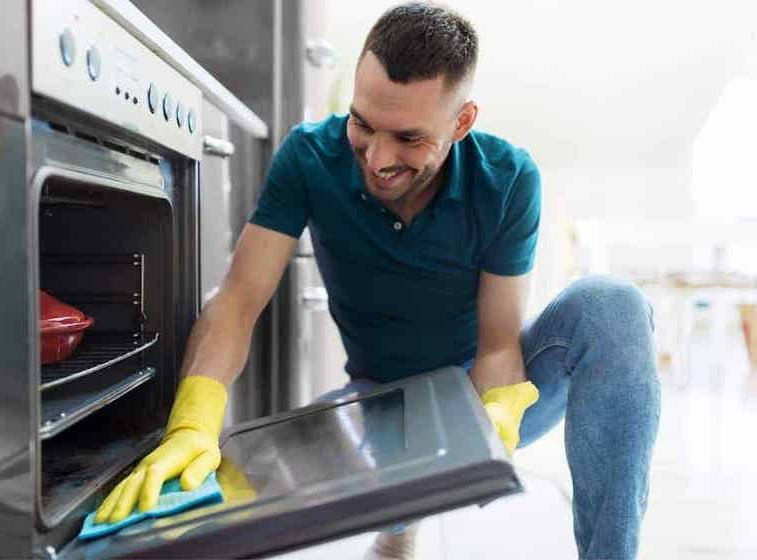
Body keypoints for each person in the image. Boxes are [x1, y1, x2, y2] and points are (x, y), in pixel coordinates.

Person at [95, 3, 661, 559]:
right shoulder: (309, 157)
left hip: (478, 393)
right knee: (230, 507)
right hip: (374, 402)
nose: (378, 157)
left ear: (461, 122)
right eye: (363, 124)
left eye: (409, 138)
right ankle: (399, 527)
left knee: (613, 305)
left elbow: (497, 348)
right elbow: (238, 302)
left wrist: (486, 424)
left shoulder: (508, 179)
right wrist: (192, 422)